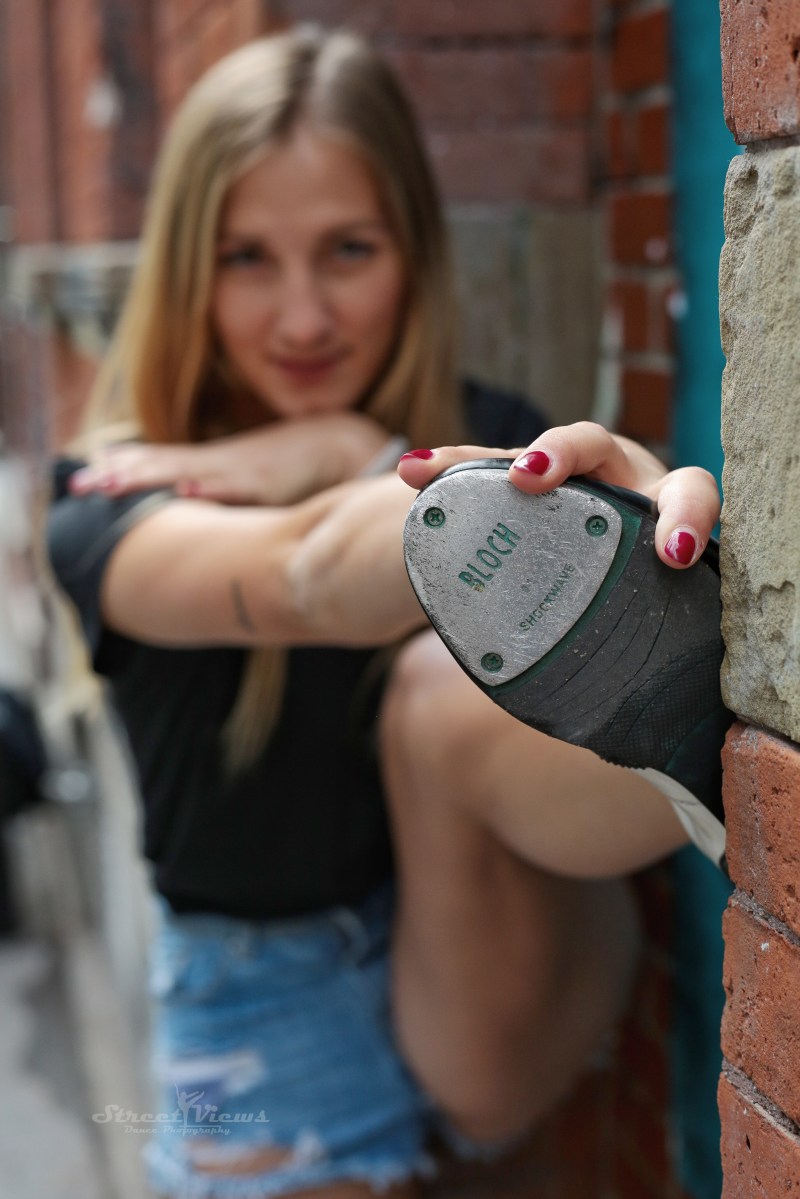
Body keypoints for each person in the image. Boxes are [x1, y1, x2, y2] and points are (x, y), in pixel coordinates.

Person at [48, 26, 722, 1199]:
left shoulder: (498, 440)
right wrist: (395, 491)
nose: (302, 318)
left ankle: (729, 703)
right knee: (464, 604)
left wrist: (365, 457)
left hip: (501, 977)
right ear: (184, 270)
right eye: (246, 258)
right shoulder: (111, 496)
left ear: (411, 247)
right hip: (266, 1021)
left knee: (441, 683)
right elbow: (306, 572)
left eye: (347, 249)